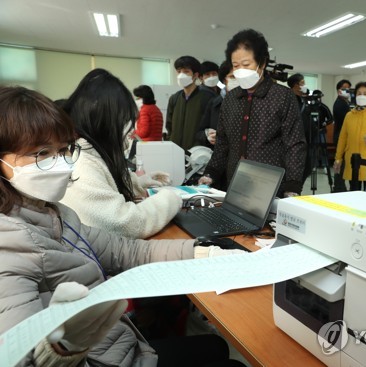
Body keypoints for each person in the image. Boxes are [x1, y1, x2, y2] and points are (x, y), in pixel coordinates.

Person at [0, 86, 247, 367]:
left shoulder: (56, 215)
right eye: (41, 153)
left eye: (62, 150)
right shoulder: (9, 246)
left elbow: (126, 250)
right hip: (106, 357)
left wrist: (203, 251)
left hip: (121, 347)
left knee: (214, 345)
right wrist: (61, 352)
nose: (59, 164)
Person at [60, 69, 181, 239]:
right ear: (105, 121)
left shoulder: (89, 150)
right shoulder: (82, 162)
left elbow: (105, 183)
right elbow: (123, 223)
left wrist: (140, 182)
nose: (130, 131)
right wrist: (171, 197)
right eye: (124, 121)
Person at [200, 29, 307, 198]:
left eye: (246, 64)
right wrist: (210, 173)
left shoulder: (283, 96)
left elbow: (294, 144)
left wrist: (292, 185)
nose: (240, 70)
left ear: (262, 63)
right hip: (234, 183)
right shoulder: (230, 99)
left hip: (270, 185)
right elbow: (222, 142)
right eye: (236, 66)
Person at [335, 81, 366, 191]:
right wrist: (338, 158)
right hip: (352, 162)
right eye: (359, 93)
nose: (362, 96)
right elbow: (343, 138)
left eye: (365, 93)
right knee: (353, 194)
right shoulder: (349, 115)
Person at [166, 56, 214, 151]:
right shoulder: (174, 98)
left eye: (186, 71)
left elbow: (211, 128)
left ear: (195, 75)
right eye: (179, 71)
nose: (181, 75)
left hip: (198, 153)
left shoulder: (208, 97)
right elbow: (169, 126)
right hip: (175, 151)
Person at [196, 61, 234, 148]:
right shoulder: (211, 100)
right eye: (207, 74)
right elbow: (200, 129)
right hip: (213, 150)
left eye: (214, 74)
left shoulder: (218, 93)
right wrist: (207, 135)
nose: (211, 77)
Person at [332, 79, 352, 192]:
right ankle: (338, 187)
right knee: (340, 165)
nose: (347, 90)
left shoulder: (345, 103)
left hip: (343, 138)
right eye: (344, 88)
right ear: (339, 90)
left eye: (349, 88)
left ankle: (339, 186)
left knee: (343, 165)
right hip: (341, 138)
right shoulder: (340, 104)